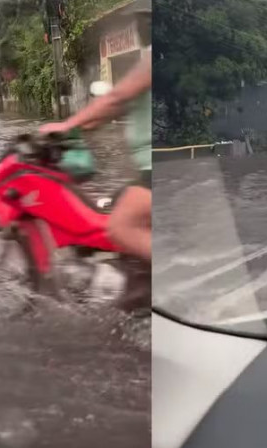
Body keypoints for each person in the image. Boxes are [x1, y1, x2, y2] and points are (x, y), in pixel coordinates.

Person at [39, 45, 152, 312]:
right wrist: (75, 128)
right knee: (109, 205)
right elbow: (108, 110)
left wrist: (66, 125)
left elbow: (116, 98)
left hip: (156, 168)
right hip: (149, 168)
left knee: (120, 226)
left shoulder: (153, 56)